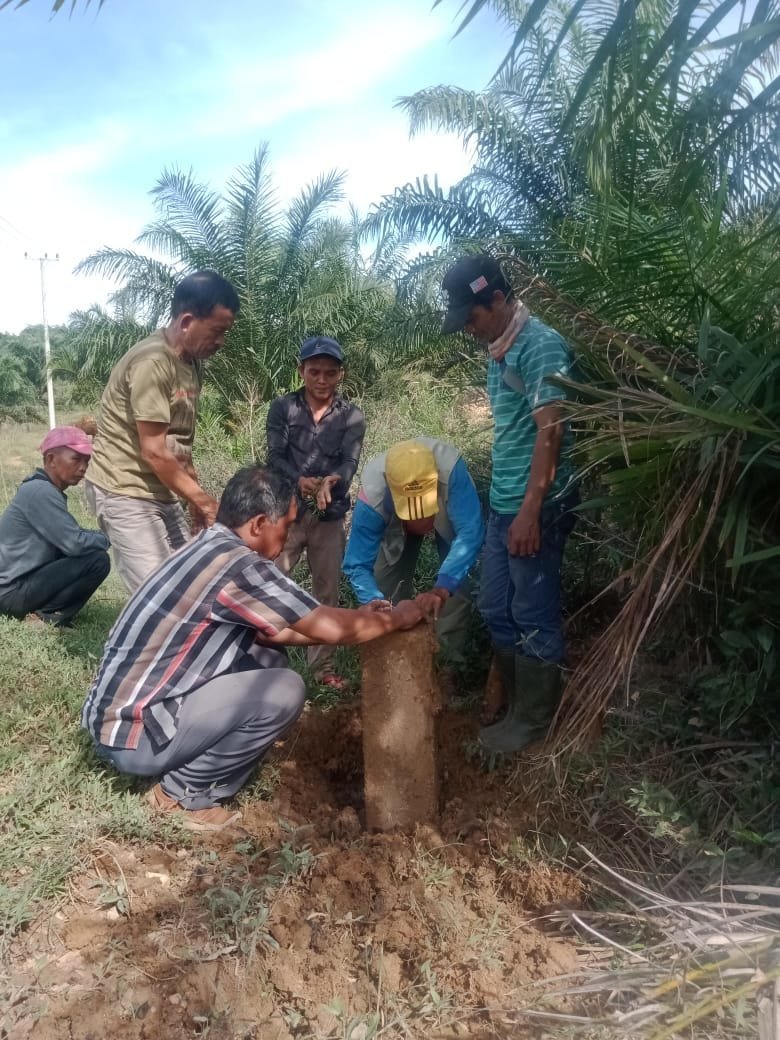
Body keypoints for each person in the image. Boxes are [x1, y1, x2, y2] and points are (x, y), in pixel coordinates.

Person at [81, 465, 422, 832]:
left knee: (267, 657)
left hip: (116, 718)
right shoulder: (242, 567)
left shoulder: (209, 543)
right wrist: (400, 617)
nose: (287, 535)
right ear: (259, 523)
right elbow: (331, 627)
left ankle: (202, 761)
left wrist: (358, 618)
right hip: (134, 737)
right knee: (285, 688)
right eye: (286, 526)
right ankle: (181, 795)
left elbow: (275, 633)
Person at [441, 254, 578, 753]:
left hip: (533, 507)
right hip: (505, 505)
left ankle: (534, 723)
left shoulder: (540, 346)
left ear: (496, 299)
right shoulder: (501, 349)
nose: (469, 330)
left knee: (532, 610)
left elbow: (552, 429)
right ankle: (516, 706)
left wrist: (529, 511)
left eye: (472, 317)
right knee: (495, 604)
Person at [84, 269, 240, 593]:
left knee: (188, 581)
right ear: (186, 321)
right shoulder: (153, 362)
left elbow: (180, 442)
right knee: (157, 596)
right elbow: (154, 450)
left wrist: (194, 501)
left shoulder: (192, 363)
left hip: (163, 489)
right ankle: (136, 645)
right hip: (125, 488)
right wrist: (207, 503)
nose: (221, 342)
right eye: (217, 331)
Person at [266, 336, 366, 690]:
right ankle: (268, 664)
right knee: (273, 585)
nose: (322, 380)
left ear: (341, 374)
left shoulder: (352, 416)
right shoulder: (282, 409)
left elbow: (349, 461)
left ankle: (322, 669)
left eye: (329, 373)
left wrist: (334, 481)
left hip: (330, 515)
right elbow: (274, 457)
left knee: (327, 592)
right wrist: (301, 481)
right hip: (286, 514)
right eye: (314, 372)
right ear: (301, 371)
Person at [343, 438, 484, 667]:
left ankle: (446, 662)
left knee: (458, 582)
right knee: (383, 587)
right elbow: (357, 564)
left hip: (447, 505)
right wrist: (375, 601)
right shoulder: (374, 493)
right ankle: (392, 663)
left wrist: (442, 588)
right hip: (392, 517)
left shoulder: (451, 471)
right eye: (413, 516)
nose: (421, 521)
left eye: (424, 514)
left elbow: (469, 534)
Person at [0, 425, 110, 627]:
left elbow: (70, 535)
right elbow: (74, 543)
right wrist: (105, 538)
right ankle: (44, 617)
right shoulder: (42, 491)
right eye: (76, 459)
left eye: (87, 461)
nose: (83, 467)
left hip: (11, 587)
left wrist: (93, 536)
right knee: (97, 560)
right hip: (9, 592)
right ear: (51, 459)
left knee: (84, 553)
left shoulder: (40, 488)